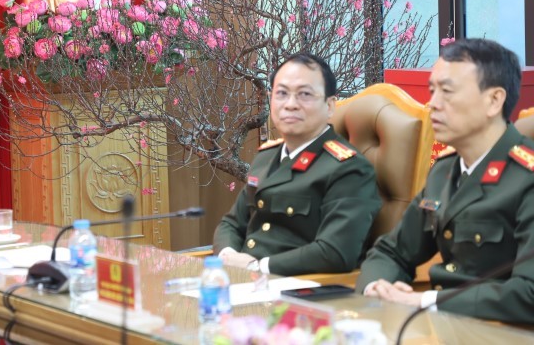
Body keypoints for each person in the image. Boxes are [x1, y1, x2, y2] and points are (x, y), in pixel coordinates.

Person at [356, 38, 534, 323]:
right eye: (432, 91)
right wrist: (377, 285)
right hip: (441, 325)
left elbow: (529, 294)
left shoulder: (526, 176)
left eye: (447, 92)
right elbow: (392, 251)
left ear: (494, 100)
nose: (433, 104)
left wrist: (426, 301)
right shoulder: (445, 170)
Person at [213, 53, 381, 276]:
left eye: (305, 94)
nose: (290, 105)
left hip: (297, 288)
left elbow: (335, 252)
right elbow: (231, 224)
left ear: (330, 106)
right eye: (282, 94)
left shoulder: (348, 169)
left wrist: (257, 267)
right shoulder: (266, 157)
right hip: (244, 281)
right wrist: (227, 256)